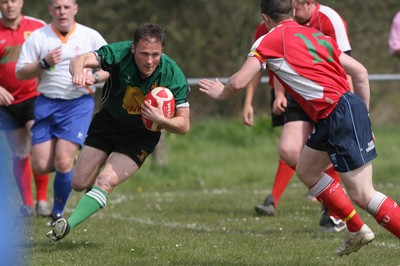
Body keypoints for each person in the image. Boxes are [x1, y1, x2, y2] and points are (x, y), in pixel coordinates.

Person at [199, 0, 400, 256]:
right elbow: (360, 72)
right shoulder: (315, 35)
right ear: (292, 11)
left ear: (265, 17)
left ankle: (358, 226)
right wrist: (364, 117)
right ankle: (356, 229)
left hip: (338, 113)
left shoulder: (267, 40)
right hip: (341, 112)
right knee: (306, 169)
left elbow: (237, 83)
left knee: (363, 194)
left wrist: (220, 94)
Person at [45, 22, 191, 242]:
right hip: (108, 124)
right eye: (144, 54)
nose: (149, 61)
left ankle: (67, 226)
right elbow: (80, 60)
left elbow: (184, 125)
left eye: (155, 54)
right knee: (79, 183)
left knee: (105, 181)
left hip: (141, 135)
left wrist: (160, 119)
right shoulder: (119, 53)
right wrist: (78, 74)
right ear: (133, 49)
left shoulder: (172, 74)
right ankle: (92, 193)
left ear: (163, 51)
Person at [246, 0, 353, 233]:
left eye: (296, 4)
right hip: (296, 93)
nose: (292, 9)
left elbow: (350, 68)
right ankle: (334, 196)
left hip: (328, 95)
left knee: (364, 192)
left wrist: (356, 111)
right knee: (289, 149)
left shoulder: (328, 20)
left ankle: (337, 208)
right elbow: (280, 64)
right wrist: (276, 95)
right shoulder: (271, 27)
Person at [15, 0, 108, 225]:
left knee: (64, 162)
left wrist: (93, 77)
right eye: (57, 7)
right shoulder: (39, 36)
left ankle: (57, 213)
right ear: (50, 10)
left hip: (77, 104)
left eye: (67, 7)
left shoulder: (90, 36)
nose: (62, 12)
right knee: (41, 165)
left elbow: (111, 67)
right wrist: (43, 63)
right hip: (46, 103)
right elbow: (20, 72)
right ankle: (67, 156)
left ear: (75, 8)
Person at [0, 0, 51, 217]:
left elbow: (52, 57)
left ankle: (42, 200)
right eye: (4, 1)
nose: (10, 5)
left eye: (14, 0)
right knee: (20, 152)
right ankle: (27, 204)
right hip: (7, 103)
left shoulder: (37, 27)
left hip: (34, 97)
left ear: (21, 2)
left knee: (39, 145)